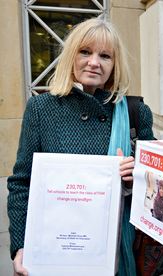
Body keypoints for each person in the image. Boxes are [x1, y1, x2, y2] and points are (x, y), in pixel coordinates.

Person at [7, 18, 154, 276]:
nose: (94, 62)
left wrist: (133, 180)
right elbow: (21, 183)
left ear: (115, 64)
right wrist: (20, 246)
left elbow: (156, 188)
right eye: (85, 51)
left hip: (114, 252)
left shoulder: (136, 113)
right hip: (54, 249)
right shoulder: (41, 109)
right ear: (71, 56)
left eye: (105, 55)